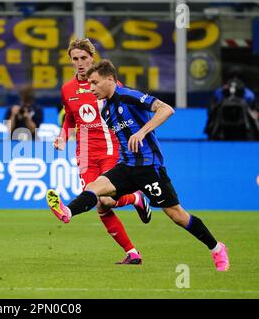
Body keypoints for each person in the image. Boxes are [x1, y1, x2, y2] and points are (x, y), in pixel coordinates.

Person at [47, 59, 230, 272]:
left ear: (110, 79)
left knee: (177, 215)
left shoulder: (129, 96)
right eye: (89, 84)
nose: (91, 88)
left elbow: (166, 109)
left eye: (95, 83)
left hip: (149, 168)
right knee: (94, 189)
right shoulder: (106, 110)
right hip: (126, 166)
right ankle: (67, 211)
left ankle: (216, 247)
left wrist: (142, 131)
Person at [53, 39, 152, 265]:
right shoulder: (67, 89)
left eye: (84, 58)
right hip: (85, 154)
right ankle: (133, 251)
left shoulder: (108, 83)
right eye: (75, 59)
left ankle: (135, 198)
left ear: (92, 57)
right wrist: (62, 136)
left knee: (105, 198)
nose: (80, 63)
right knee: (100, 204)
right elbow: (69, 117)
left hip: (111, 148)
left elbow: (127, 109)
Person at [205, 67, 259, 140]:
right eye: (232, 77)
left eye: (238, 77)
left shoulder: (248, 95)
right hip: (221, 133)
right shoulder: (219, 93)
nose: (235, 80)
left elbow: (256, 114)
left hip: (244, 134)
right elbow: (210, 113)